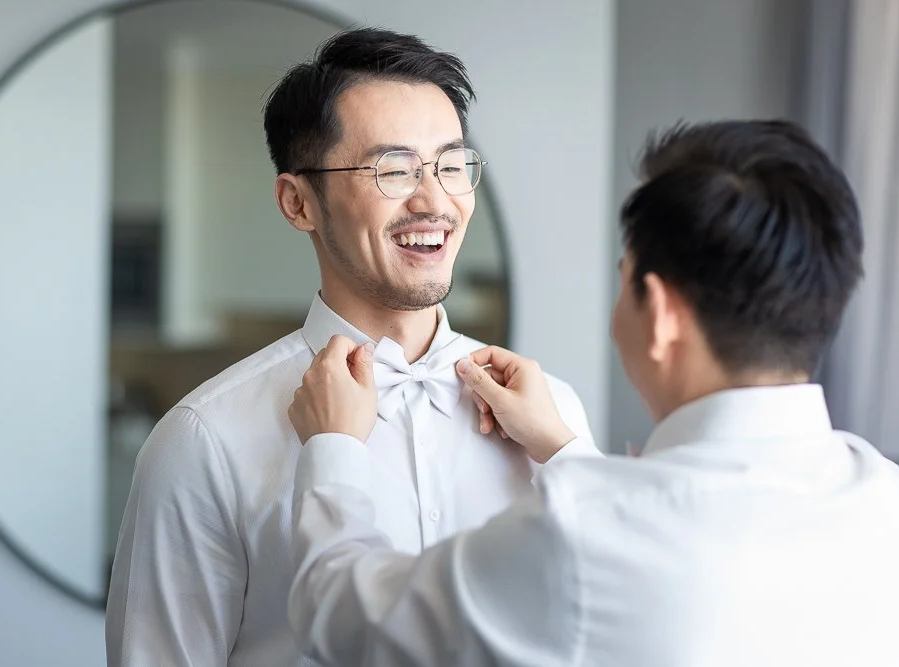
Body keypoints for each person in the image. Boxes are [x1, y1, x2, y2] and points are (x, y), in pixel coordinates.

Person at [287, 119, 899, 667]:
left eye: (624, 284)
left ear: (660, 313)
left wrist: (335, 449)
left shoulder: (582, 529)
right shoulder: (890, 500)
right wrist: (560, 448)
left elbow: (344, 618)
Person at [105, 28, 597, 666]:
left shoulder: (553, 419)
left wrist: (566, 454)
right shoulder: (205, 440)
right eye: (393, 170)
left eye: (451, 165)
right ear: (298, 202)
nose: (435, 201)